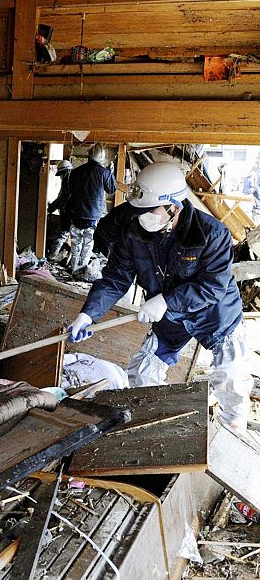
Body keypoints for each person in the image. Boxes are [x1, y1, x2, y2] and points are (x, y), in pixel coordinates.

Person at [68, 161, 251, 432]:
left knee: (231, 380)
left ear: (173, 207)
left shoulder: (212, 234)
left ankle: (229, 436)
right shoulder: (133, 234)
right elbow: (115, 279)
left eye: (149, 210)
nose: (141, 216)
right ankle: (156, 429)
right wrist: (88, 314)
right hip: (171, 320)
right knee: (141, 374)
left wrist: (167, 301)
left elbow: (213, 287)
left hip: (216, 315)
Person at [64, 143, 117, 276]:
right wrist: (110, 172)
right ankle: (82, 270)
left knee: (75, 242)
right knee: (88, 244)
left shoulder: (76, 171)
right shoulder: (104, 173)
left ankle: (73, 268)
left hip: (76, 213)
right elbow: (112, 189)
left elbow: (69, 189)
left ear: (89, 155)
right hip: (93, 215)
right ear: (102, 158)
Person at [46, 159, 74, 262]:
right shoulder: (74, 181)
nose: (61, 176)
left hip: (68, 213)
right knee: (73, 238)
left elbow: (62, 199)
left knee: (63, 234)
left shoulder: (67, 181)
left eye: (61, 173)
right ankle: (70, 261)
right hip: (74, 213)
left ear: (65, 171)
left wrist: (50, 209)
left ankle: (52, 256)